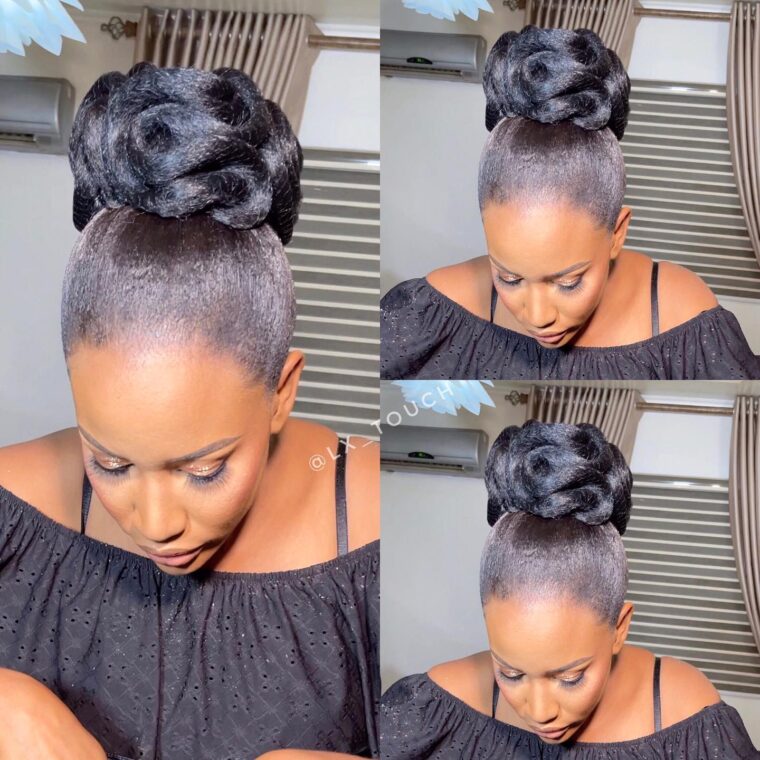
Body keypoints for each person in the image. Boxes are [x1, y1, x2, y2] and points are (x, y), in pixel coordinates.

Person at [0, 63, 379, 760]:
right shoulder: (13, 515)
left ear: (282, 391)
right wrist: (8, 708)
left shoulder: (377, 528)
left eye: (203, 470)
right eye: (109, 461)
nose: (155, 523)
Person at [380, 26, 760, 380]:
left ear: (617, 232)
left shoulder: (683, 316)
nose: (538, 316)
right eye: (509, 278)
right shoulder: (431, 313)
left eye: (568, 282)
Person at [379, 421, 759, 758]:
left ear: (619, 627)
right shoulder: (436, 707)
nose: (539, 711)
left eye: (570, 677)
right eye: (510, 673)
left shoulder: (684, 712)